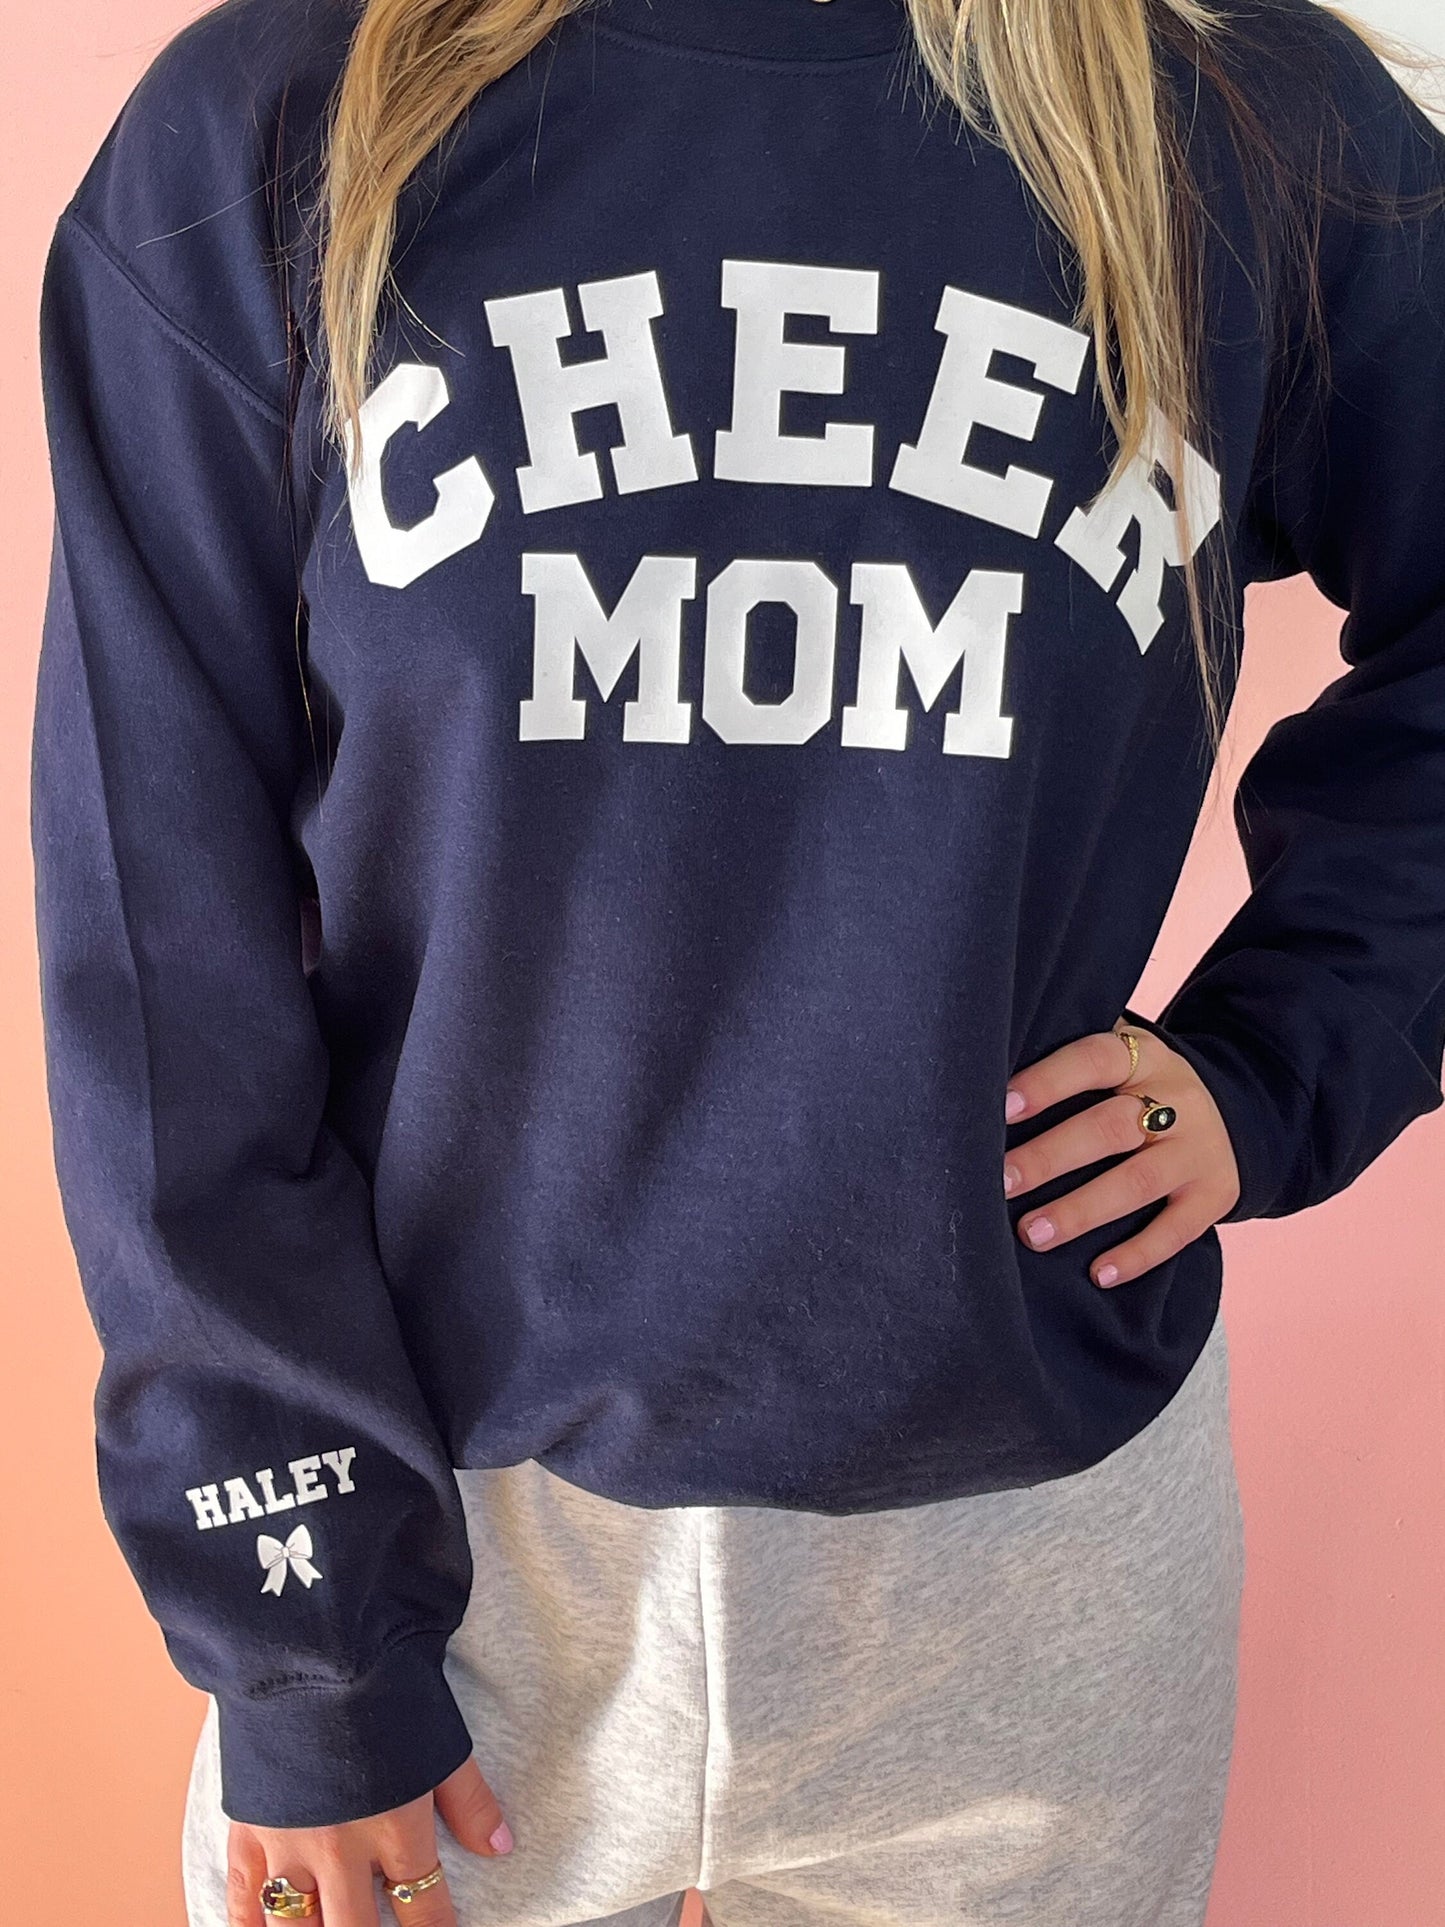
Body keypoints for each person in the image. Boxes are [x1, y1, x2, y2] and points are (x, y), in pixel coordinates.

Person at [29, 0, 1445, 1921]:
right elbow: (157, 933)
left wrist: (1284, 1059)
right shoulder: (281, 124)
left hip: (1023, 1557)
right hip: (442, 1540)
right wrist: (304, 1649)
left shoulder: (1237, 126)